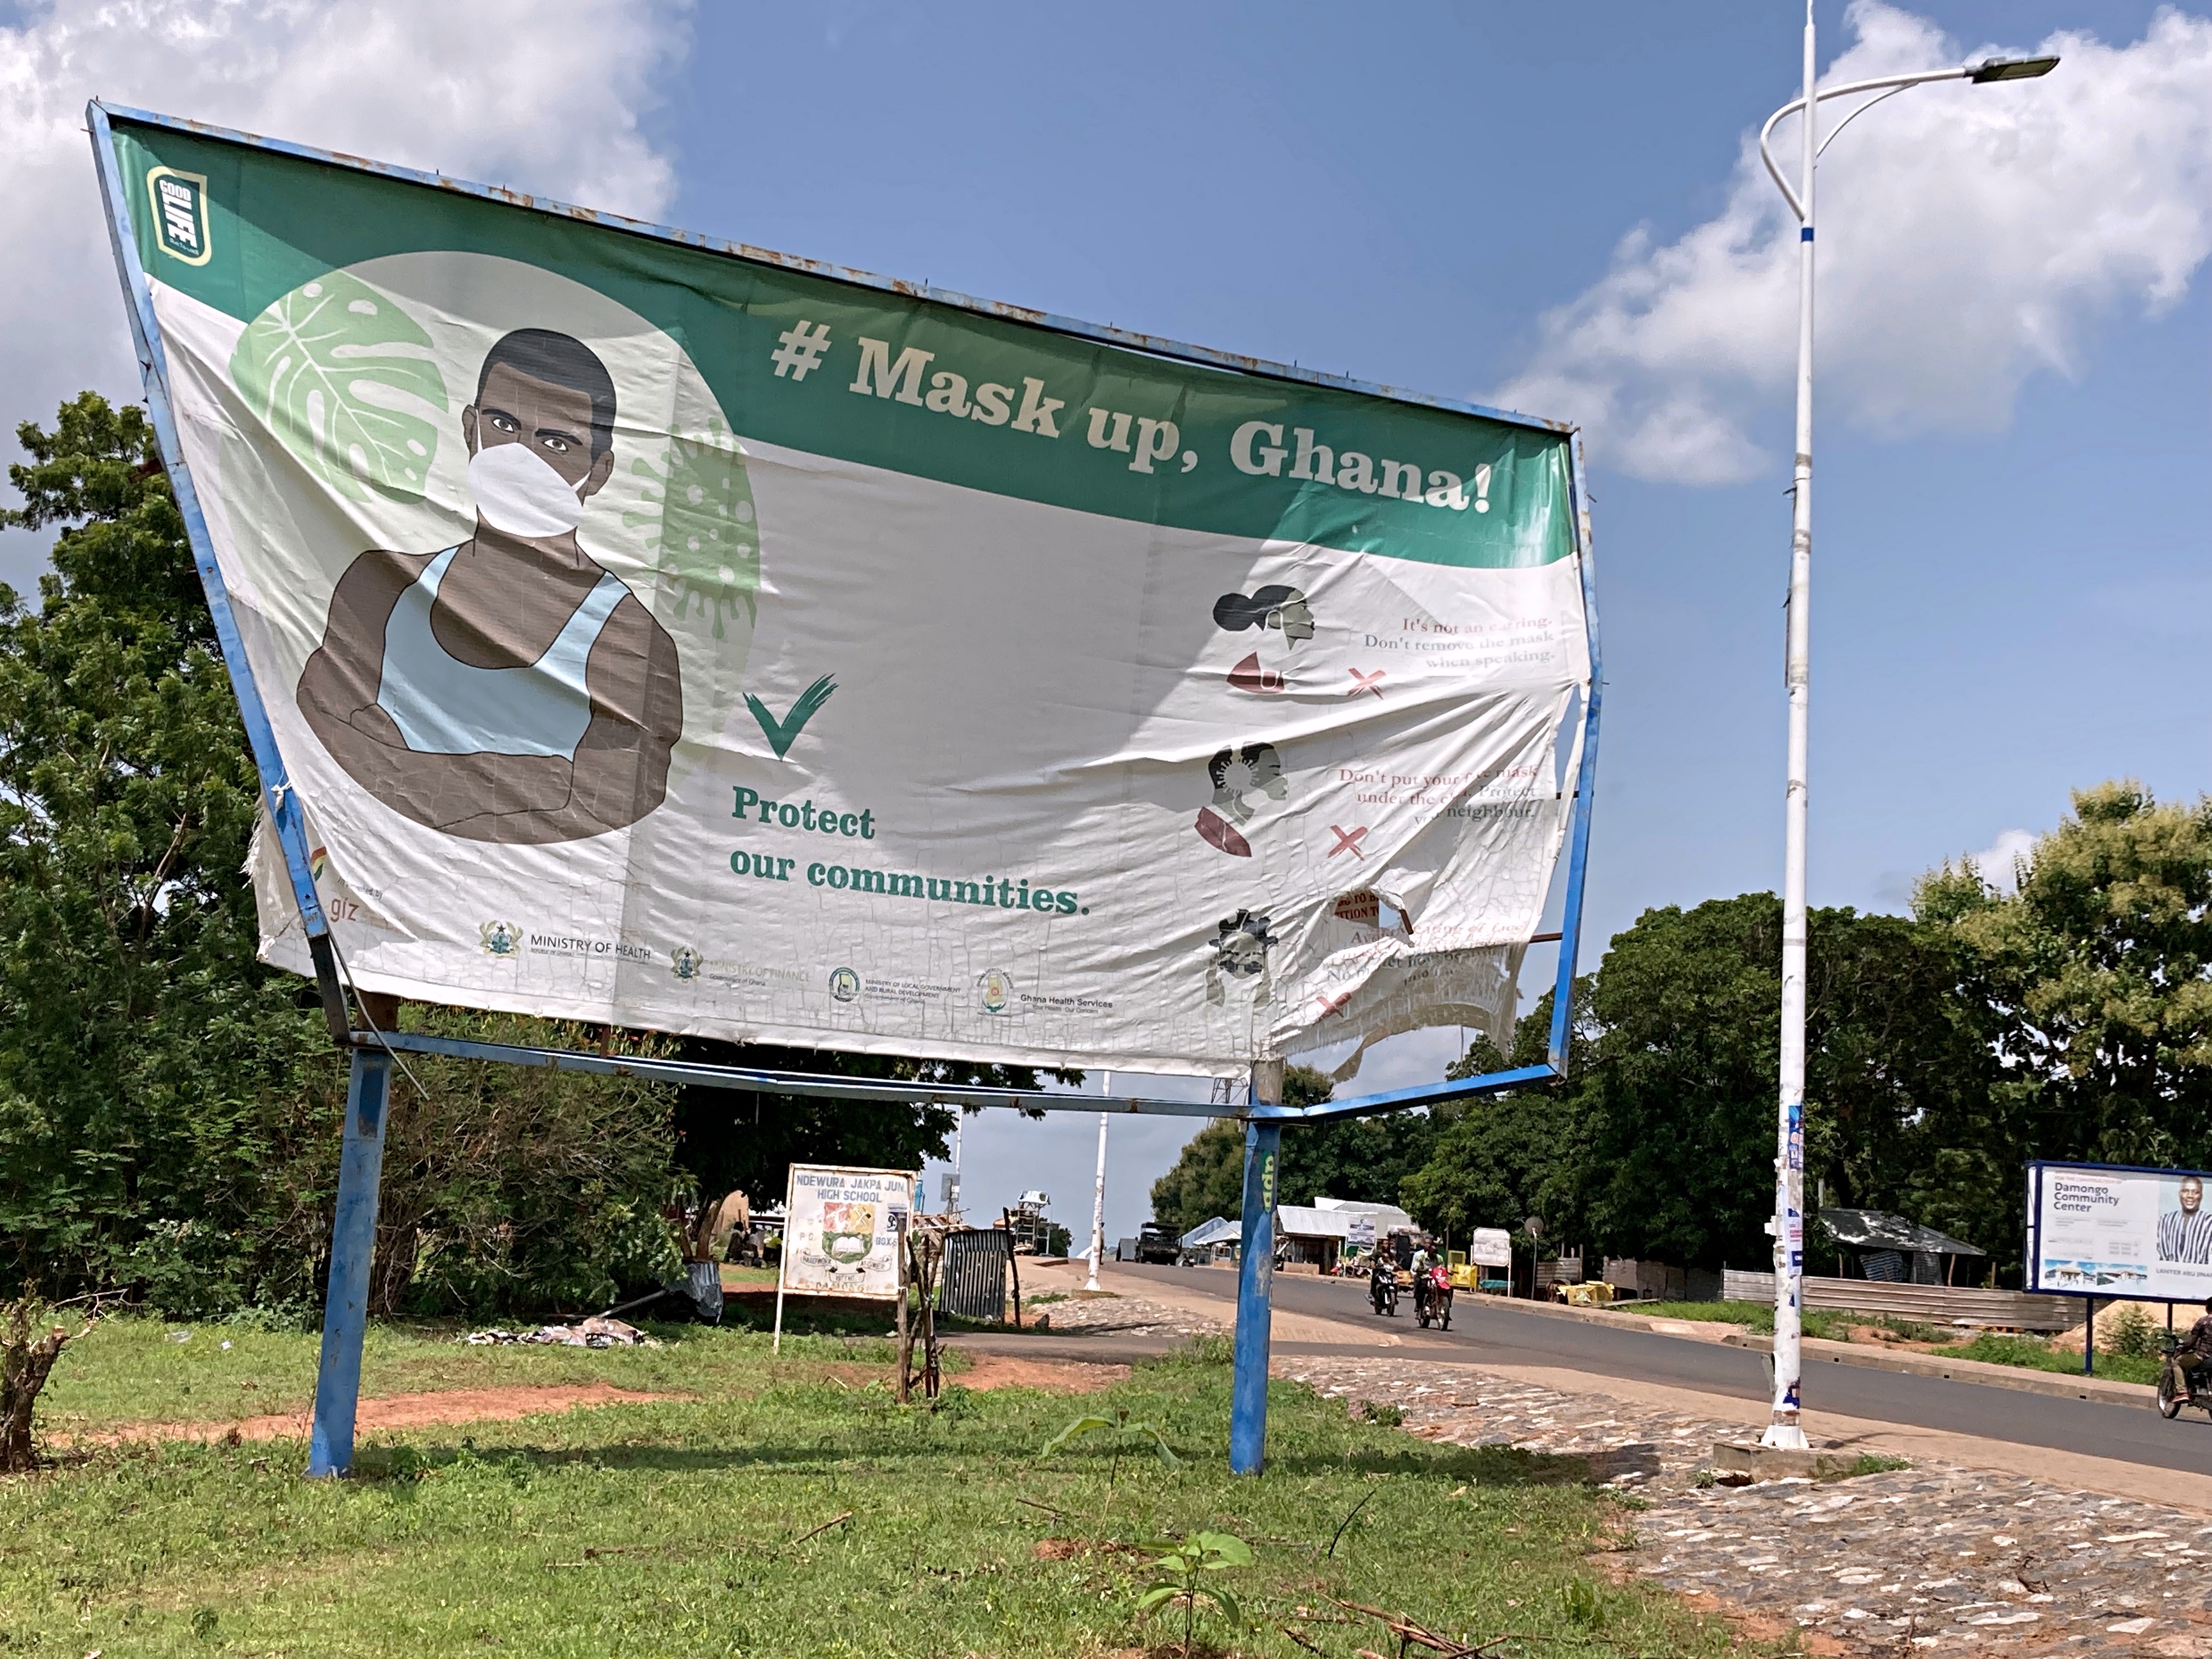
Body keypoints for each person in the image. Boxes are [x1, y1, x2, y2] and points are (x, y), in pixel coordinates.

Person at [298, 328, 684, 844]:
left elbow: (612, 799)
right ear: (470, 427)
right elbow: (317, 729)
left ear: (599, 470)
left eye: (557, 442)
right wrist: (535, 778)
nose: (522, 456)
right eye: (504, 425)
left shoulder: (633, 643)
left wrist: (400, 763)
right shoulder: (381, 587)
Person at [2158, 1176, 2212, 1265]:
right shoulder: (2165, 1221)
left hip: (2199, 1276)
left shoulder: (2209, 1223)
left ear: (2201, 1196)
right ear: (2180, 1194)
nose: (2190, 1196)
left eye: (2196, 1192)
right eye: (2186, 1191)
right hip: (2168, 1274)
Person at [2176, 1297, 2212, 1401]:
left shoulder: (2204, 1321)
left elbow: (2191, 1342)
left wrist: (2182, 1351)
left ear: (2207, 1308)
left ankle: (2182, 1392)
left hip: (2204, 1356)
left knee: (2177, 1362)